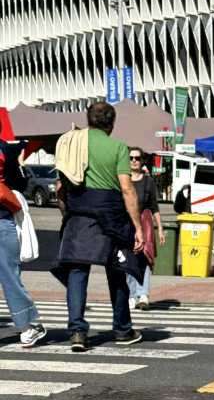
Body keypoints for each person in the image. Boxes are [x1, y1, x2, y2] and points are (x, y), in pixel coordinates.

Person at [53, 101, 144, 352]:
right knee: (117, 271)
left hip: (79, 212)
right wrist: (138, 226)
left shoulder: (71, 143)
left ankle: (77, 332)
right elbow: (127, 188)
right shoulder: (117, 148)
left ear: (89, 119)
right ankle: (122, 329)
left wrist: (66, 214)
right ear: (111, 124)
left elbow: (60, 187)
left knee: (77, 272)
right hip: (111, 215)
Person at [0, 140, 46, 347]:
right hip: (2, 217)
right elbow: (20, 184)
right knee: (10, 275)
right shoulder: (6, 149)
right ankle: (27, 327)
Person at [126, 148, 164, 310]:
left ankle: (143, 294)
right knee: (128, 260)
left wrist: (160, 229)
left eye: (137, 158)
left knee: (145, 259)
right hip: (127, 225)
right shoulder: (123, 179)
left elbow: (154, 207)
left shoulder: (148, 181)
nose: (134, 160)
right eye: (131, 158)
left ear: (142, 160)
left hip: (145, 224)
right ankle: (131, 295)